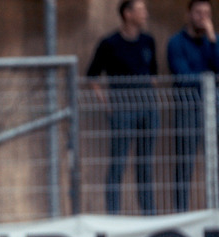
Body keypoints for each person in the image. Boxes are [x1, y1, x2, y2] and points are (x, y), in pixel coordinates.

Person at [86, 0, 158, 215]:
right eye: (140, 10)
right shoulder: (109, 43)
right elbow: (92, 77)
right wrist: (107, 105)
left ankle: (149, 214)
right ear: (127, 14)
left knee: (145, 164)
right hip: (123, 109)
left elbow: (153, 74)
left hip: (147, 108)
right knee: (118, 162)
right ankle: (114, 214)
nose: (145, 14)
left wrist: (152, 98)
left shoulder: (148, 41)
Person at [167, 0, 219, 211]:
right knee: (185, 164)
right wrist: (208, 79)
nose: (203, 17)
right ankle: (182, 212)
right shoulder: (176, 43)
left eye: (207, 13)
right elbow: (182, 75)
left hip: (213, 108)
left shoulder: (213, 40)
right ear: (189, 14)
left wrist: (212, 39)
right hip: (188, 110)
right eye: (198, 12)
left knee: (214, 163)